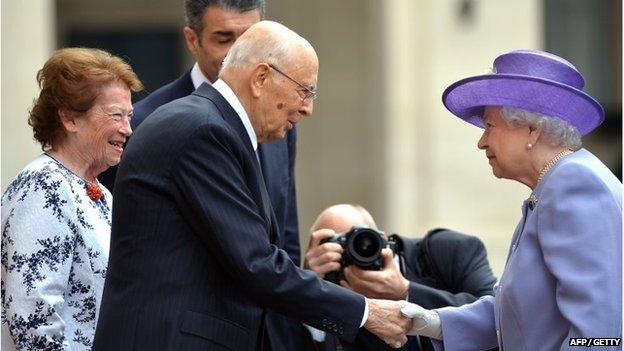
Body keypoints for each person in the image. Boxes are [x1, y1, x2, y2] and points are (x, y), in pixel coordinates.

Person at [93, 21, 412, 351]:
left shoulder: (216, 129)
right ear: (261, 78)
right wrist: (364, 311)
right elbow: (256, 264)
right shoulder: (201, 131)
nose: (308, 108)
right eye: (305, 91)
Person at [402, 49, 622, 351]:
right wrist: (432, 322)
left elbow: (598, 333)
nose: (481, 141)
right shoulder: (550, 188)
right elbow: (519, 314)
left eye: (490, 125)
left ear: (532, 129)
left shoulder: (574, 185)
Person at [97, 0, 301, 267]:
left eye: (250, 40)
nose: (241, 55)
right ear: (192, 40)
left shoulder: (280, 122)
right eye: (224, 39)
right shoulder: (141, 124)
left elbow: (285, 239)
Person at [1, 48, 143, 351]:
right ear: (69, 118)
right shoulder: (43, 187)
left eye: (129, 116)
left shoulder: (97, 190)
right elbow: (33, 317)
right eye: (115, 115)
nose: (127, 129)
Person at [304, 204, 497, 351]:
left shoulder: (449, 251)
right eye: (337, 244)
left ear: (381, 238)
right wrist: (309, 290)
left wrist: (405, 291)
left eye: (361, 239)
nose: (353, 252)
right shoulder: (327, 292)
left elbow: (497, 314)